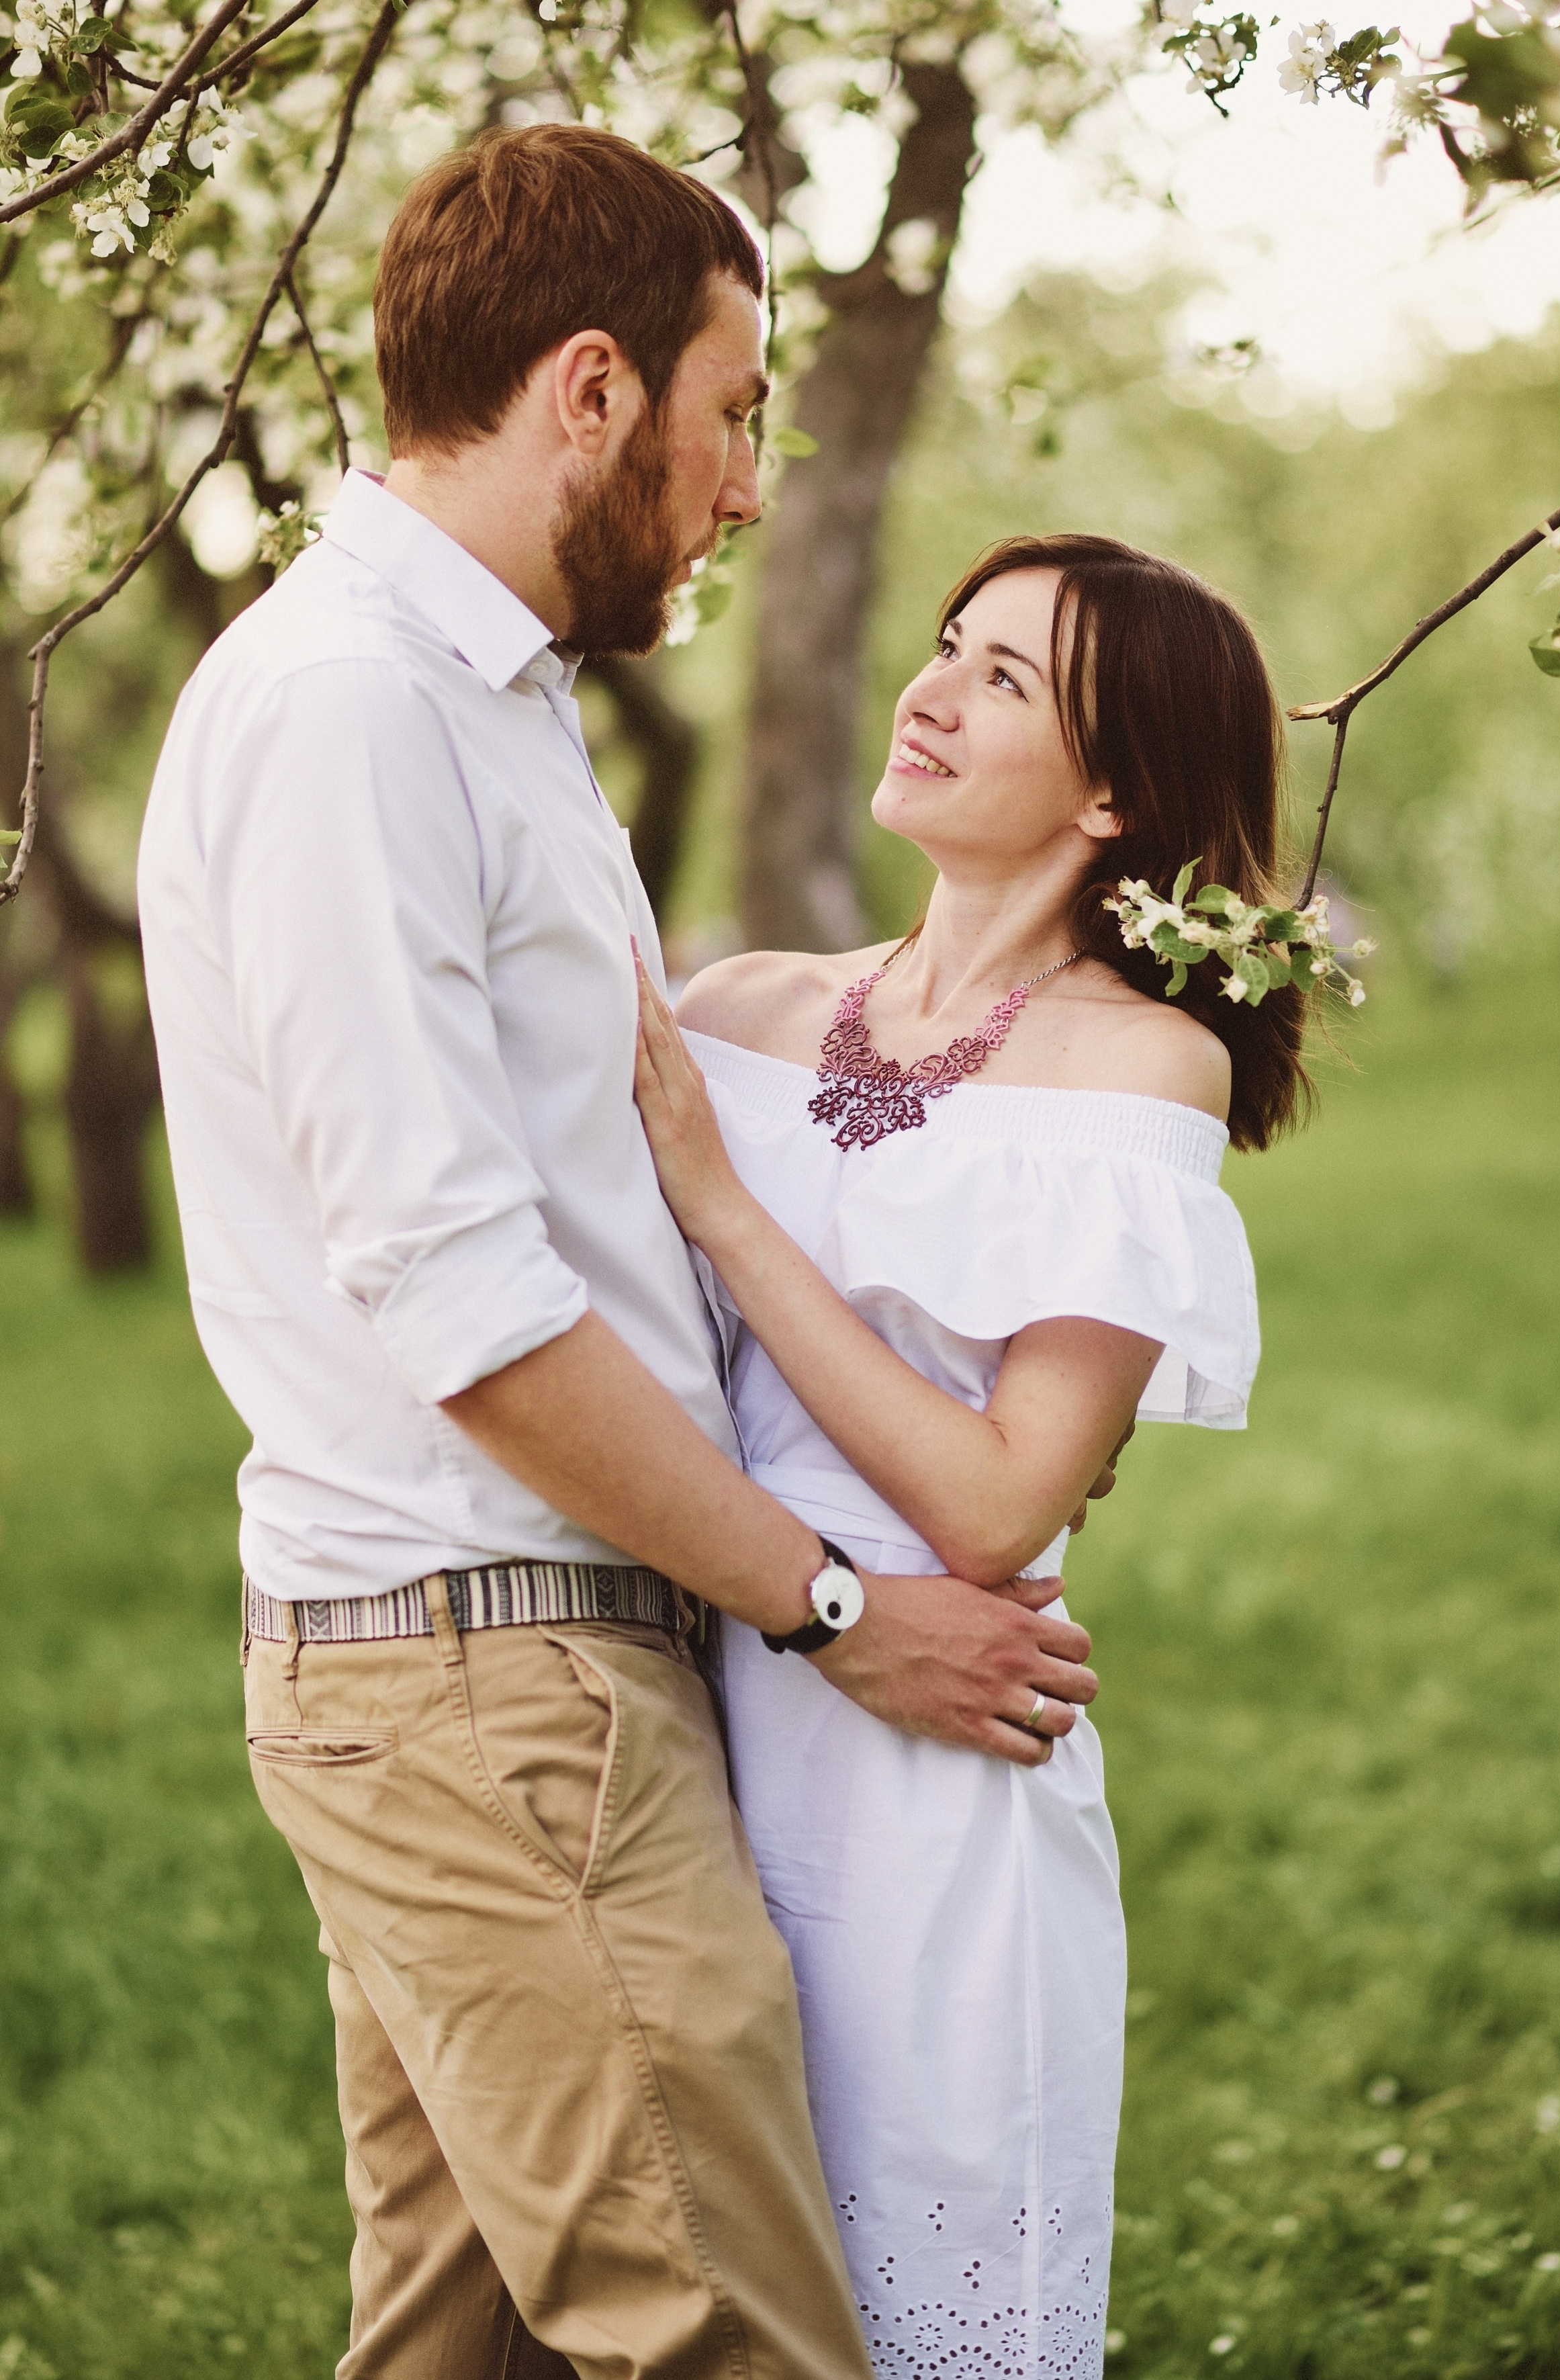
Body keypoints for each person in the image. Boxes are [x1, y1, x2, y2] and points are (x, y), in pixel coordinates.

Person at [136, 131, 1111, 2380]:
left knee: (451, 2357)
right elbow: (467, 1307)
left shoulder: (481, 700)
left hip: (494, 1664)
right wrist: (838, 1607)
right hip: (494, 1685)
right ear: (592, 389)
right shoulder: (355, 707)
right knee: (737, 2346)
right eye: (734, 406)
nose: (746, 481)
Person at [633, 533, 1307, 2380]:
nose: (927, 692)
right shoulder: (732, 1009)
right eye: (943, 648)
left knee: (919, 2318)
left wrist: (722, 1202)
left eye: (1003, 679)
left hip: (930, 1766)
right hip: (672, 1705)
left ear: (1111, 792)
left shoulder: (1134, 1069)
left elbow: (1003, 1499)